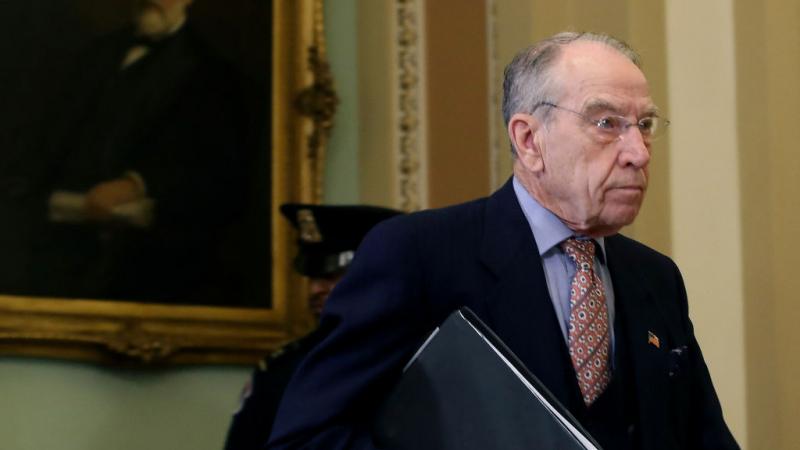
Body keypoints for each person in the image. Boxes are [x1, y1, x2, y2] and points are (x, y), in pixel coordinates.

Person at [267, 32, 740, 450]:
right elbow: (307, 437)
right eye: (606, 124)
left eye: (644, 125)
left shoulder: (655, 278)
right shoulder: (418, 255)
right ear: (529, 140)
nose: (637, 152)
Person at [23, 0, 247, 302]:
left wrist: (135, 183)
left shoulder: (211, 71)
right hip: (60, 238)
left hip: (149, 258)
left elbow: (214, 166)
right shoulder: (94, 54)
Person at [223, 203, 403, 450]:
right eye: (312, 276)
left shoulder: (413, 357)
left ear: (372, 272)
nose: (315, 289)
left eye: (331, 275)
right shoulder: (283, 370)